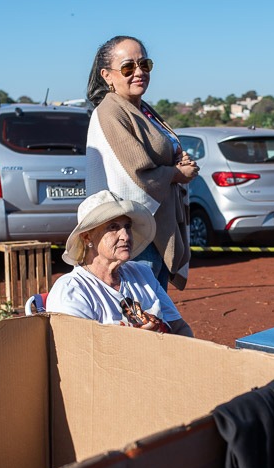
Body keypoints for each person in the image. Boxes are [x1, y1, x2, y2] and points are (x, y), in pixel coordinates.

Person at [85, 35, 199, 291]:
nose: (139, 72)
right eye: (128, 67)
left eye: (144, 64)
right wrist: (176, 174)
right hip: (134, 234)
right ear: (107, 75)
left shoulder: (142, 109)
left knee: (156, 310)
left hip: (156, 227)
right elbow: (134, 174)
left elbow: (160, 150)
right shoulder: (111, 111)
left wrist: (179, 159)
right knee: (142, 312)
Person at [46, 190, 193, 337]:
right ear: (87, 237)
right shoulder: (72, 291)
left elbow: (180, 328)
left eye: (127, 226)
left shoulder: (142, 273)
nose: (126, 236)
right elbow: (80, 352)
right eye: (113, 227)